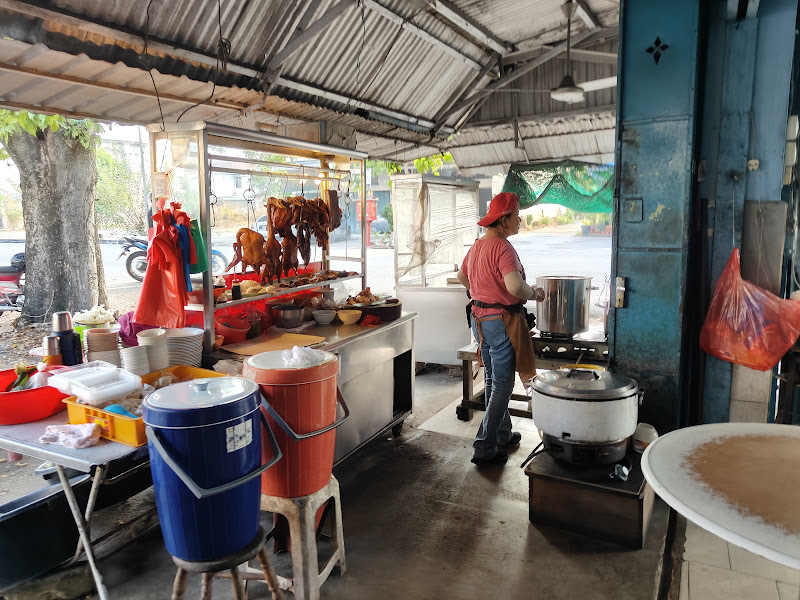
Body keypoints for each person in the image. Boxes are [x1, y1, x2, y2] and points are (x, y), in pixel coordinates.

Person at [457, 192, 543, 467]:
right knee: (504, 384)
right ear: (504, 220)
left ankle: (502, 434)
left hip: (479, 318)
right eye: (517, 215)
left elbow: (462, 276)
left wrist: (480, 292)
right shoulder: (502, 248)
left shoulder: (478, 245)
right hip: (501, 320)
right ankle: (485, 446)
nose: (520, 219)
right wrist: (536, 294)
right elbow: (516, 288)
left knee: (494, 379)